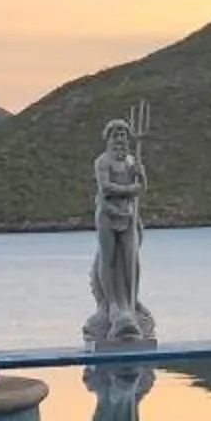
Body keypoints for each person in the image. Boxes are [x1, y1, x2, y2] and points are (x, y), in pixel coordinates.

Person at [82, 117, 155, 346]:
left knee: (131, 258)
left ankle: (132, 302)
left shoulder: (132, 161)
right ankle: (112, 305)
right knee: (109, 258)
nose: (120, 140)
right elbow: (106, 188)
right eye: (116, 135)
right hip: (108, 216)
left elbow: (142, 188)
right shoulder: (102, 162)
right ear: (109, 138)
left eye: (124, 135)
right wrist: (130, 189)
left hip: (128, 217)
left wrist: (141, 176)